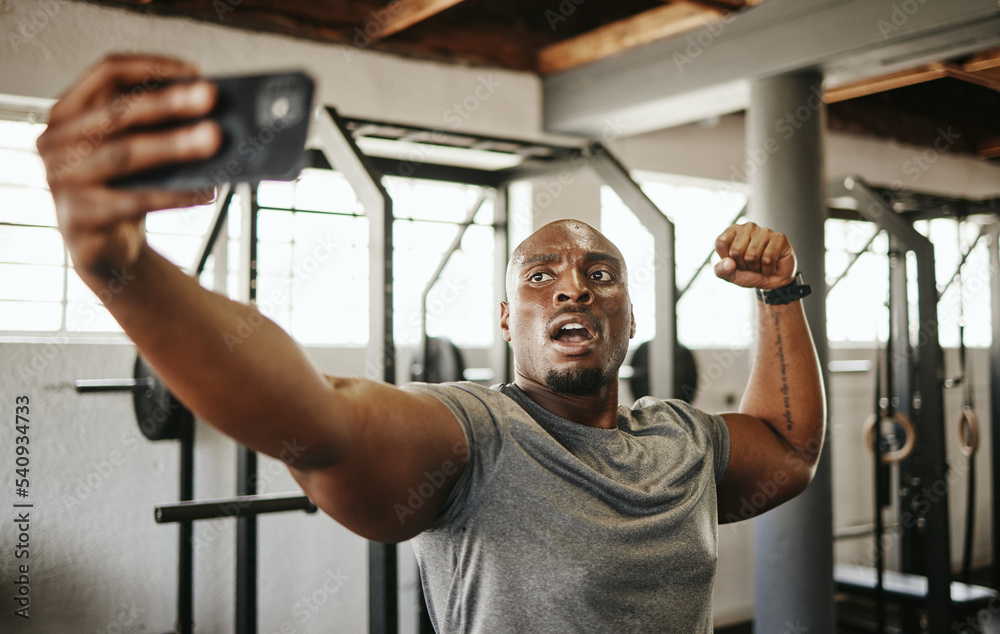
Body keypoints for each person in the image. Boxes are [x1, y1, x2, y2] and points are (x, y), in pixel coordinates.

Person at [36, 54, 826, 632]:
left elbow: (790, 449)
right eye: (541, 275)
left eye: (600, 274)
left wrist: (780, 293)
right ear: (508, 320)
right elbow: (320, 421)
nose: (573, 287)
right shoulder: (477, 435)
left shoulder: (678, 441)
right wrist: (121, 270)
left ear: (629, 318)